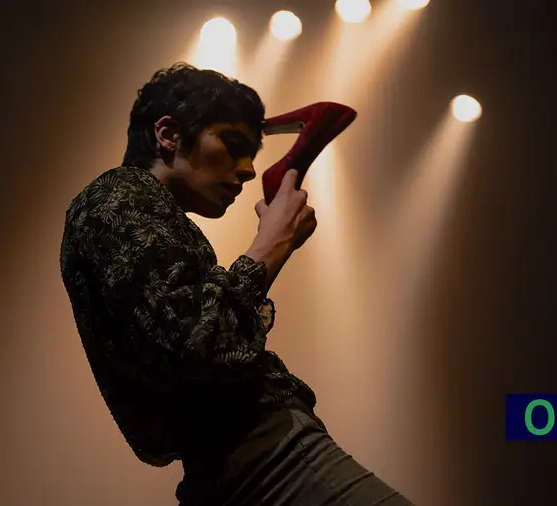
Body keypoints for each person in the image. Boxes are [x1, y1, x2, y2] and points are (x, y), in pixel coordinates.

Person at [59, 62, 414, 505]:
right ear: (168, 134)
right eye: (232, 144)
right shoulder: (117, 197)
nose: (248, 170)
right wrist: (271, 246)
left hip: (228, 474)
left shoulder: (122, 212)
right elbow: (203, 345)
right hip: (271, 460)